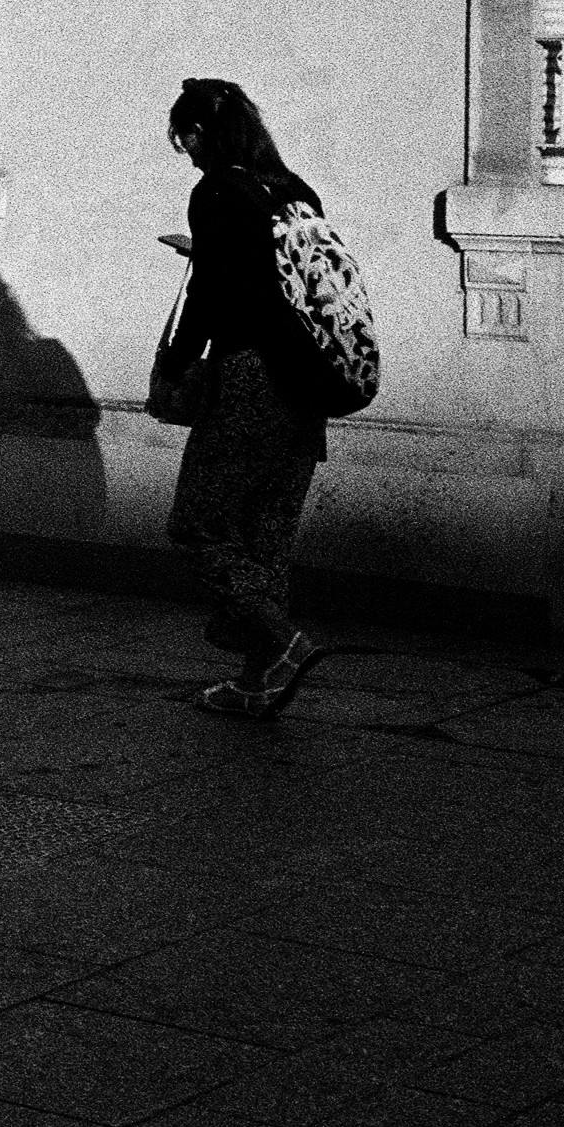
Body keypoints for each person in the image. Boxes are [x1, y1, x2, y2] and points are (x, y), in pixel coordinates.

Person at [161, 77, 331, 717]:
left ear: (202, 133)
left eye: (184, 138)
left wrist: (177, 364)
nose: (185, 152)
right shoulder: (293, 190)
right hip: (306, 382)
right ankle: (259, 682)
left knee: (200, 522)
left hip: (249, 380)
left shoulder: (217, 191)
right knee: (266, 538)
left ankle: (285, 644)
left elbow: (211, 293)